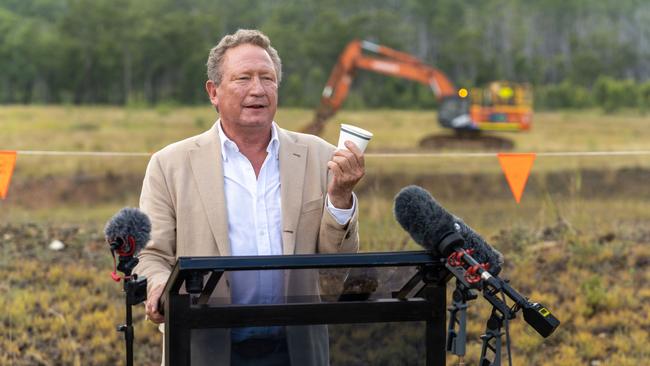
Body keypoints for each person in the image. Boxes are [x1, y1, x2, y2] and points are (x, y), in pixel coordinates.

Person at [133, 29, 364, 366]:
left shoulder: (321, 157)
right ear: (213, 92)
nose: (258, 89)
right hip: (205, 346)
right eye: (243, 78)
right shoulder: (170, 165)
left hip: (297, 349)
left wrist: (341, 197)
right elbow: (151, 254)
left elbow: (336, 273)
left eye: (267, 78)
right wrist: (157, 288)